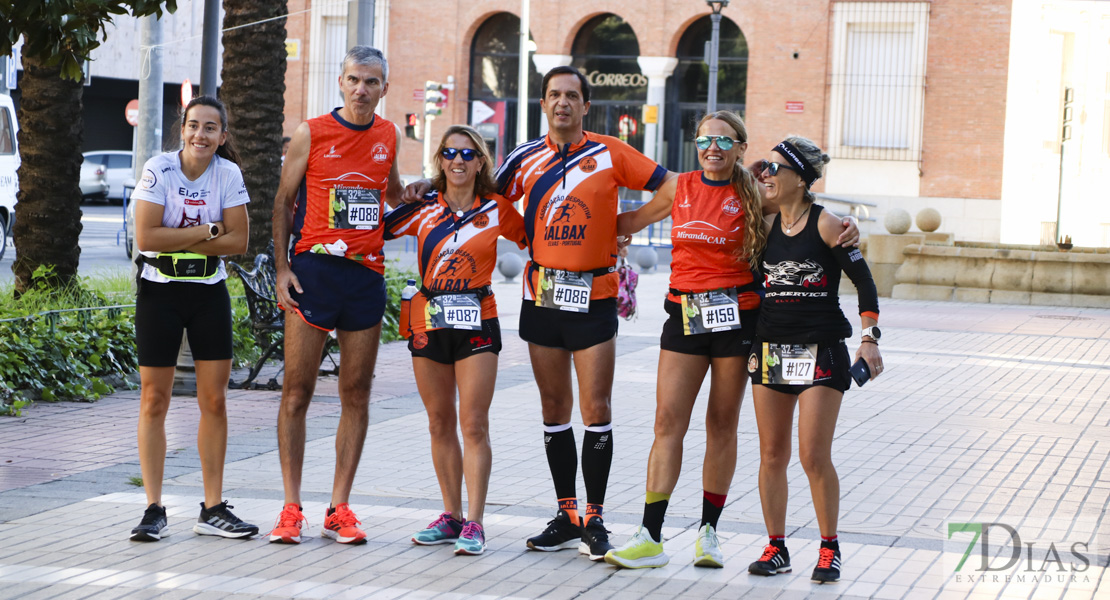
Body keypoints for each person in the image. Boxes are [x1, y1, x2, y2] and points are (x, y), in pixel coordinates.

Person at [604, 112, 858, 569]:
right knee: (667, 422)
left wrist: (851, 225)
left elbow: (806, 210)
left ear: (741, 147)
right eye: (704, 139)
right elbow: (629, 222)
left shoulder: (753, 192)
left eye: (724, 140)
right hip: (684, 315)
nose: (712, 147)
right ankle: (650, 535)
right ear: (695, 145)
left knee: (721, 425)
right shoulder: (677, 187)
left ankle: (709, 534)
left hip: (737, 321)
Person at [269, 46, 403, 545]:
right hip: (313, 274)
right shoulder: (311, 131)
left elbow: (389, 193)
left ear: (384, 88)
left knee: (356, 393)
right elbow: (283, 201)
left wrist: (417, 194)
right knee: (297, 392)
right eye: (354, 79)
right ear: (341, 83)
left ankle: (339, 508)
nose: (362, 89)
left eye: (372, 81)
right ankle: (289, 508)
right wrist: (283, 269)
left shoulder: (388, 134)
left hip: (365, 276)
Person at [383, 125, 526, 556]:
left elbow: (541, 240)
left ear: (481, 161)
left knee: (474, 424)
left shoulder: (498, 208)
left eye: (467, 154)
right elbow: (372, 231)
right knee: (439, 421)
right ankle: (450, 516)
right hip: (429, 320)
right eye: (449, 153)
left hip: (478, 322)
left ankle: (476, 523)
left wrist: (608, 242)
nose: (458, 161)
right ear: (440, 161)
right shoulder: (424, 207)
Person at [746, 136, 883, 584]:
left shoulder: (828, 225)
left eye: (775, 168)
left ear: (800, 179)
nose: (766, 175)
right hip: (770, 350)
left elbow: (864, 283)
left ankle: (829, 548)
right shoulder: (762, 223)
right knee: (771, 455)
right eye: (763, 167)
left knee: (812, 456)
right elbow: (731, 188)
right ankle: (776, 546)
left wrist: (869, 340)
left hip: (821, 351)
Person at [130, 95, 257, 541]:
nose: (200, 135)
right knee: (154, 400)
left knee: (215, 401)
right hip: (160, 292)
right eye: (193, 126)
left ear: (223, 136)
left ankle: (213, 507)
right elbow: (146, 235)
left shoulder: (228, 173)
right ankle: (152, 508)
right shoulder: (159, 168)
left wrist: (178, 240)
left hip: (208, 292)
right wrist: (208, 230)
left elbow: (239, 240)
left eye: (210, 128)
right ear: (181, 131)